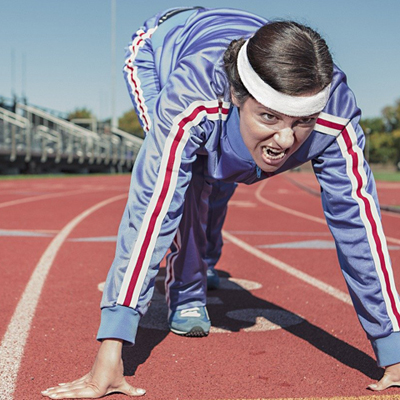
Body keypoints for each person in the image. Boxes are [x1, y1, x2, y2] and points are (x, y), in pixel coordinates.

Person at [42, 6, 400, 398]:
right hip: (162, 50)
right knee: (191, 175)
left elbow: (360, 227)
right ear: (237, 95)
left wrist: (393, 350)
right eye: (269, 117)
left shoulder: (335, 115)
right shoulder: (191, 99)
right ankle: (187, 288)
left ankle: (205, 257)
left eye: (301, 122)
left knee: (226, 172)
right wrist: (112, 346)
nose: (284, 140)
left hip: (238, 50)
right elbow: (153, 207)